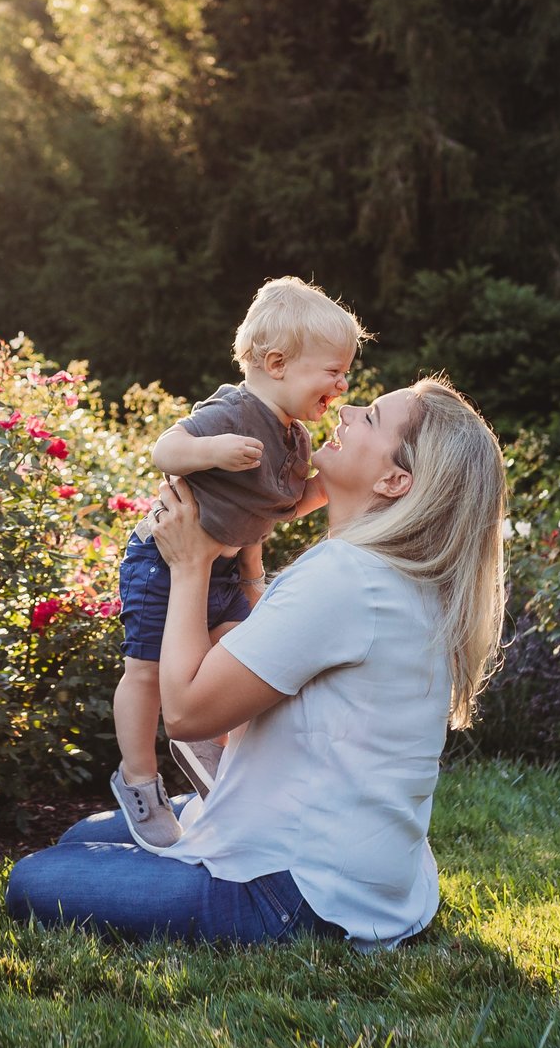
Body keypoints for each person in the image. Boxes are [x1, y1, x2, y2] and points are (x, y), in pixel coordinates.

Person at [6, 377, 507, 947]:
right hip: (375, 880)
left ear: (396, 480)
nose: (346, 410)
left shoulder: (344, 577)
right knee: (79, 837)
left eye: (369, 418)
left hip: (296, 891)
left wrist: (190, 565)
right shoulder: (400, 580)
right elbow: (253, 696)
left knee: (34, 879)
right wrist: (249, 567)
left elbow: (192, 714)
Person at [105, 278, 365, 848]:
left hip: (218, 571)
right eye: (334, 370)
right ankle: (138, 779)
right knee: (145, 672)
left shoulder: (294, 439)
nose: (343, 384)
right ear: (277, 363)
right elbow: (164, 450)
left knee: (236, 660)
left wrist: (336, 484)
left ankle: (207, 743)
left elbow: (285, 505)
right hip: (163, 561)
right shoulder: (236, 410)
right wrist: (209, 452)